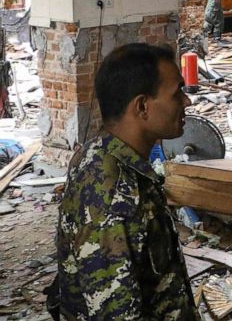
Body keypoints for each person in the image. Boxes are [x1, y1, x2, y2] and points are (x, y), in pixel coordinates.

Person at [53, 44, 196, 320]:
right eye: (177, 92)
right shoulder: (113, 194)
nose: (186, 101)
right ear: (142, 106)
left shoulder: (106, 151)